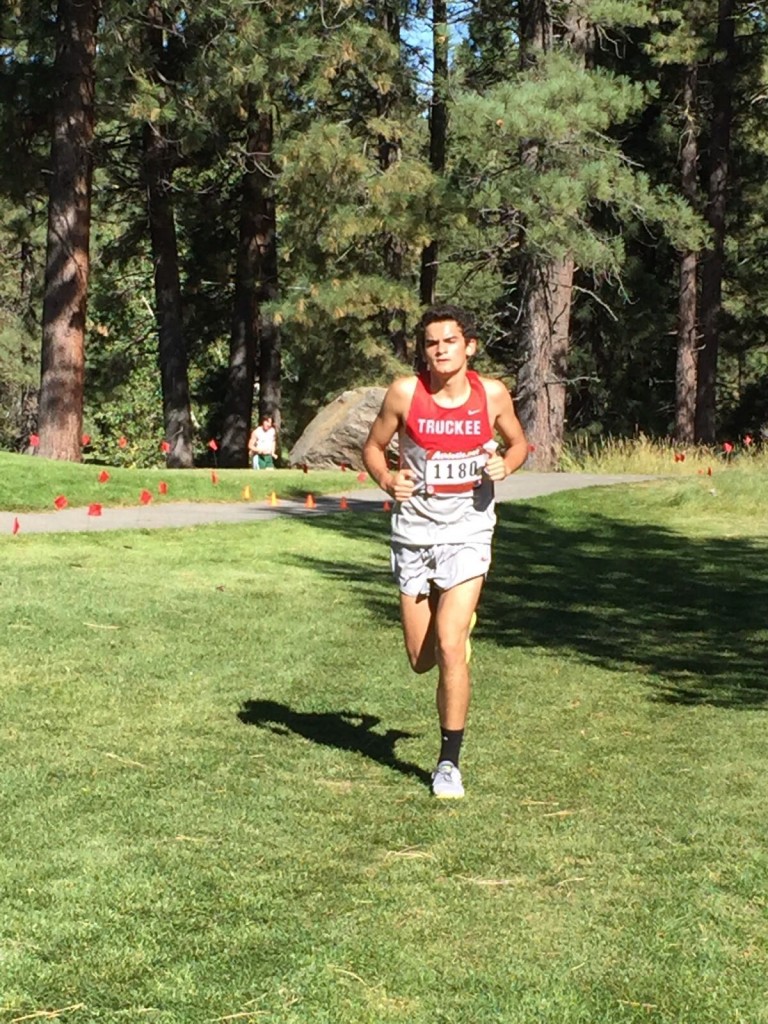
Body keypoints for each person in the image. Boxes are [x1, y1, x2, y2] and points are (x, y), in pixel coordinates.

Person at [362, 304, 529, 799]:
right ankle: (449, 625)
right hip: (414, 534)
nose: (440, 350)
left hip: (469, 532)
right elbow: (372, 448)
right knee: (421, 659)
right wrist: (387, 479)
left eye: (450, 341)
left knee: (452, 645)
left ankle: (448, 764)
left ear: (469, 346)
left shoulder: (491, 394)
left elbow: (519, 443)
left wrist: (506, 466)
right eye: (431, 343)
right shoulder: (405, 393)